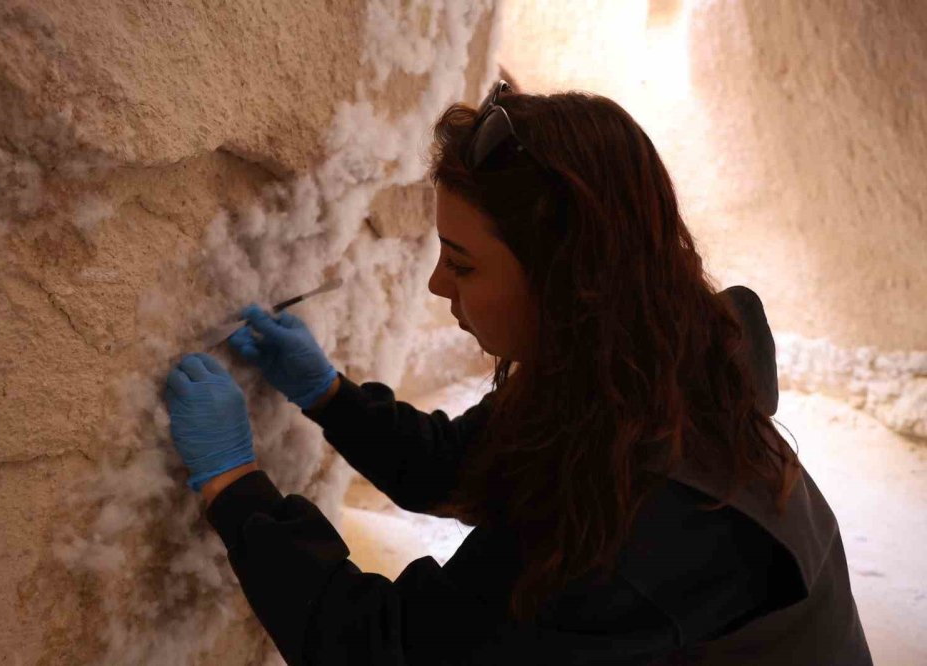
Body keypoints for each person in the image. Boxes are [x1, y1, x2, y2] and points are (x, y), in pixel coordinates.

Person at [164, 81, 872, 665]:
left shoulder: (633, 525)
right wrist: (329, 395)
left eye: (464, 262)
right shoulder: (633, 364)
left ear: (566, 280)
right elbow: (459, 467)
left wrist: (233, 485)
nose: (440, 284)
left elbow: (389, 652)